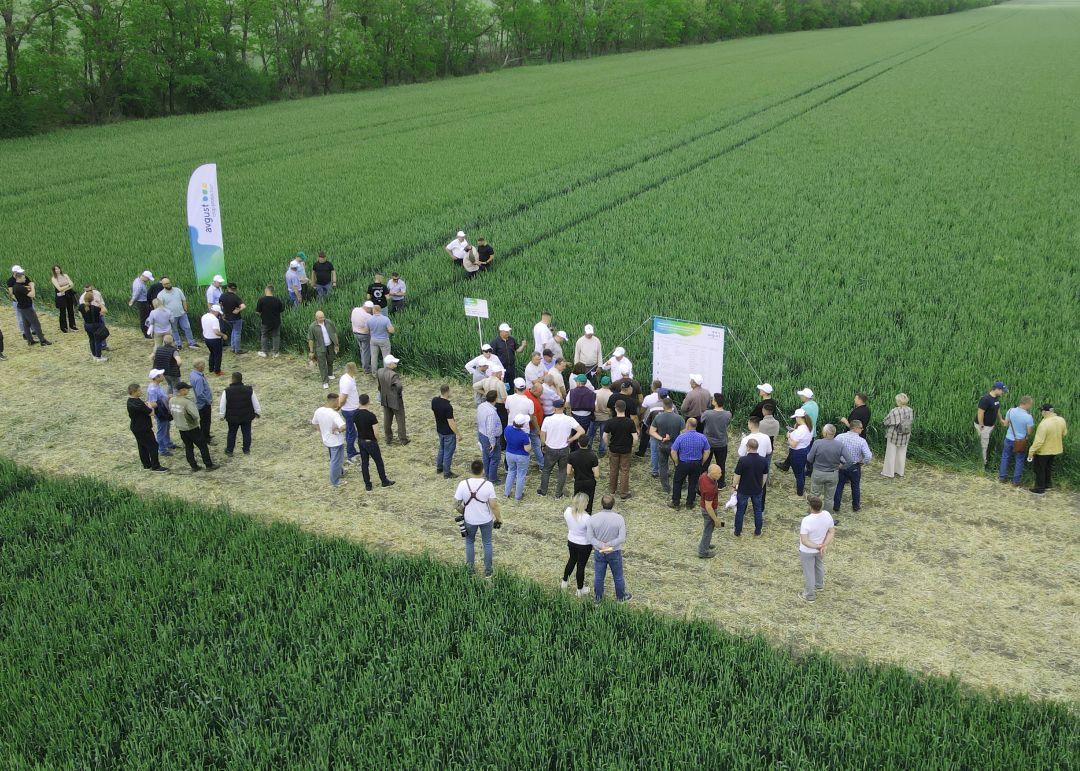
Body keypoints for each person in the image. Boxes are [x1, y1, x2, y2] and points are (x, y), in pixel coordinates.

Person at [455, 459, 502, 578]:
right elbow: (494, 505)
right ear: (483, 470)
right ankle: (488, 572)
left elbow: (456, 504)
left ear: (471, 470)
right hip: (486, 519)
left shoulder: (463, 484)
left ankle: (470, 571)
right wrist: (498, 518)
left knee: (469, 543)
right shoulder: (488, 485)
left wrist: (464, 511)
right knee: (487, 544)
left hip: (469, 520)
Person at [587, 495, 631, 602]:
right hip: (614, 551)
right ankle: (621, 597)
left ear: (601, 504)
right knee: (618, 576)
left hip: (599, 551)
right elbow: (621, 538)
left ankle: (598, 599)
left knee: (599, 577)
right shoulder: (619, 518)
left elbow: (590, 537)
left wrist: (601, 545)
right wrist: (609, 545)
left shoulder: (593, 518)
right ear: (613, 504)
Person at [538, 400, 585, 498]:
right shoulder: (569, 419)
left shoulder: (547, 419)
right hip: (564, 448)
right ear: (563, 408)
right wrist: (571, 439)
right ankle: (558, 494)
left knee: (546, 470)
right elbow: (581, 431)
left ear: (554, 408)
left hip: (550, 448)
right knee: (562, 471)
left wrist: (543, 445)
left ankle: (543, 491)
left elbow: (542, 434)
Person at [170, 382, 217, 472]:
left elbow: (171, 412)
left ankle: (194, 466)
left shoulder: (172, 400)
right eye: (187, 389)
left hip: (181, 428)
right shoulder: (187, 402)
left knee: (188, 447)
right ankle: (209, 465)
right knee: (203, 446)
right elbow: (195, 415)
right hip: (192, 428)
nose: (188, 390)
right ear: (182, 390)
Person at [353, 394, 395, 489]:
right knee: (378, 462)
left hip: (361, 441)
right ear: (369, 402)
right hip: (370, 441)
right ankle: (384, 481)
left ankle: (368, 485)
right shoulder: (371, 416)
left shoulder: (355, 414)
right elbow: (376, 432)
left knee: (364, 463)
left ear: (359, 402)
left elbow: (355, 427)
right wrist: (376, 440)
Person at [798, 496, 835, 603]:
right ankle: (819, 585)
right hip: (820, 550)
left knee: (809, 573)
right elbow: (831, 532)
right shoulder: (827, 515)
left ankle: (810, 595)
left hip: (807, 551)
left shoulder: (806, 520)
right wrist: (823, 545)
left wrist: (817, 546)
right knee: (819, 566)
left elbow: (804, 541)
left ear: (810, 507)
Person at [806, 425, 850, 512]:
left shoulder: (817, 443)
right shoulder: (840, 445)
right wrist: (842, 466)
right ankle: (827, 518)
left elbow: (809, 458)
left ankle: (812, 515)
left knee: (814, 495)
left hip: (818, 473)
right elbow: (850, 460)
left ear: (825, 433)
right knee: (829, 498)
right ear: (834, 433)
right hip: (832, 474)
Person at [670, 419, 711, 509]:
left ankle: (676, 502)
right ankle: (690, 503)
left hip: (683, 463)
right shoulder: (702, 437)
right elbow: (707, 451)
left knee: (678, 482)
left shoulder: (681, 437)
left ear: (687, 425)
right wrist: (702, 462)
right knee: (693, 483)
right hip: (697, 463)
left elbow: (673, 451)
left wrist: (677, 462)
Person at [1028, 404, 1067, 495]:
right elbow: (1064, 433)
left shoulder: (1044, 424)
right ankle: (1047, 484)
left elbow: (1039, 442)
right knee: (1048, 467)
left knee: (1040, 469)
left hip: (1044, 451)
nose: (1041, 413)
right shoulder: (1061, 420)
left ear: (1045, 412)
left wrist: (1031, 451)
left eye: (1041, 411)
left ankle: (1040, 488)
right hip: (1056, 449)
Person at [732, 438, 768, 536]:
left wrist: (734, 486)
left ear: (748, 447)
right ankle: (758, 531)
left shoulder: (743, 460)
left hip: (743, 489)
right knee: (757, 510)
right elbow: (765, 475)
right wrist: (761, 486)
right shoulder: (763, 460)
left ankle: (737, 531)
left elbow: (737, 475)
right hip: (757, 489)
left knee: (740, 511)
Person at [219, 371, 261, 455]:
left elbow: (222, 404)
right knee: (246, 432)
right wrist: (258, 412)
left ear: (232, 380)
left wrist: (222, 415)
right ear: (241, 379)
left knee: (232, 433)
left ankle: (229, 450)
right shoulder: (249, 389)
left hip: (232, 417)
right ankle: (246, 450)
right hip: (246, 416)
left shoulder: (227, 391)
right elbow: (255, 402)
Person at [127, 383, 166, 472]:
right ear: (134, 392)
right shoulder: (138, 403)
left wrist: (146, 405)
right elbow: (151, 413)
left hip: (136, 427)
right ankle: (156, 466)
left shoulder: (131, 401)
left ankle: (147, 465)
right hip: (143, 428)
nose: (141, 392)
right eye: (139, 390)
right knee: (153, 445)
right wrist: (149, 406)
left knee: (142, 446)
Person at [650, 397, 685, 494]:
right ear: (672, 406)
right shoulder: (679, 418)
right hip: (675, 447)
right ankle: (682, 484)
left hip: (663, 445)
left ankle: (666, 488)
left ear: (663, 406)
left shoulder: (658, 417)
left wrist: (661, 438)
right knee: (678, 465)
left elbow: (651, 431)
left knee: (663, 466)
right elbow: (683, 433)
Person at [312, 393, 348, 488]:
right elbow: (343, 426)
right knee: (336, 460)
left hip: (326, 439)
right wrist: (338, 431)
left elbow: (315, 423)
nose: (339, 403)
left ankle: (340, 472)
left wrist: (322, 431)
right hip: (336, 441)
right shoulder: (333, 414)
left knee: (334, 458)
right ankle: (335, 482)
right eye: (338, 401)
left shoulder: (319, 411)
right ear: (334, 401)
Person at [561, 493, 594, 597]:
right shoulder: (587, 518)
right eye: (587, 502)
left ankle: (564, 582)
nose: (588, 504)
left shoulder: (567, 512)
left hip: (571, 541)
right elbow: (590, 533)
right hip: (584, 544)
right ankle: (580, 589)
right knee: (581, 566)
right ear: (583, 503)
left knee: (572, 560)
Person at [604, 400, 636, 500]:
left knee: (613, 469)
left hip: (613, 448)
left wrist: (607, 444)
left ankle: (612, 490)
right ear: (625, 408)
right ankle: (623, 493)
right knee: (624, 471)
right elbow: (635, 437)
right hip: (626, 449)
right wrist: (633, 446)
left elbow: (604, 436)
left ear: (615, 408)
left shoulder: (610, 421)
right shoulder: (630, 422)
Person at [999, 396, 1034, 486]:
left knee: (1005, 457)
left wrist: (1001, 419)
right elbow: (1029, 432)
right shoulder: (1028, 417)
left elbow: (1005, 424)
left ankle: (1002, 478)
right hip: (1020, 442)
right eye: (1030, 404)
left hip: (1009, 438)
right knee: (1019, 460)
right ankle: (1016, 481)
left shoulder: (1010, 411)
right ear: (1027, 404)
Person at [700, 393, 732, 486]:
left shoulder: (707, 413)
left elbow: (702, 421)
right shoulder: (728, 414)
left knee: (705, 463)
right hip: (721, 443)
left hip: (708, 443)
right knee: (721, 463)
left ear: (715, 402)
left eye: (713, 399)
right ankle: (721, 483)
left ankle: (703, 481)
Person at [157, 277, 198, 349]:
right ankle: (178, 344)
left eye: (169, 283)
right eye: (166, 284)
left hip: (182, 313)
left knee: (187, 327)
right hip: (171, 316)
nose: (168, 285)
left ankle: (192, 342)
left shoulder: (178, 290)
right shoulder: (160, 295)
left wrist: (185, 309)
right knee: (174, 330)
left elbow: (183, 300)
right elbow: (161, 307)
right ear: (163, 285)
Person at [431, 384, 460, 479]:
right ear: (447, 391)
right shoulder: (448, 406)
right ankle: (447, 473)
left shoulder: (434, 400)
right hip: (448, 433)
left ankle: (439, 467)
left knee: (442, 449)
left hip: (439, 430)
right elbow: (451, 422)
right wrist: (458, 434)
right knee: (448, 452)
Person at [11, 274, 50, 346]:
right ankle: (42, 340)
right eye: (23, 278)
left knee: (26, 325)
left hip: (21, 307)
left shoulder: (15, 286)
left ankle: (30, 340)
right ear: (19, 278)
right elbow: (32, 295)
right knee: (36, 324)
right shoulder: (20, 287)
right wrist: (32, 286)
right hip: (27, 308)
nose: (25, 279)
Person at [976, 381, 1009, 465]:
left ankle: (982, 461)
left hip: (990, 426)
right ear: (997, 389)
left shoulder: (996, 398)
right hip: (984, 426)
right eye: (1002, 390)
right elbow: (980, 412)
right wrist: (981, 424)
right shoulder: (985, 399)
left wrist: (1001, 419)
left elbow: (997, 410)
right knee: (984, 445)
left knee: (985, 444)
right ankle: (982, 464)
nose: (1003, 393)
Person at [376, 355, 407, 444]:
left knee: (387, 419)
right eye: (394, 362)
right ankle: (403, 439)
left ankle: (388, 438)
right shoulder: (394, 375)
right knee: (400, 419)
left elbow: (379, 385)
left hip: (385, 399)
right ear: (389, 364)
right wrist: (398, 393)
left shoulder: (380, 371)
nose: (395, 363)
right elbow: (399, 386)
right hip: (395, 400)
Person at [881, 393, 914, 478]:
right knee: (902, 454)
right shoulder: (910, 410)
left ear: (899, 401)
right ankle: (900, 471)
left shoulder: (895, 411)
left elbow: (886, 422)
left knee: (891, 454)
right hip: (905, 435)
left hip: (894, 435)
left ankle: (889, 472)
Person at [474, 389, 503, 483]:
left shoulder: (481, 406)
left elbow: (478, 421)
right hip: (489, 437)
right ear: (495, 399)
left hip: (482, 434)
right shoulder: (491, 413)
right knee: (495, 458)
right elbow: (490, 429)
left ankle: (487, 475)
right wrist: (493, 442)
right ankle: (493, 479)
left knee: (486, 456)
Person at [307, 310, 340, 388]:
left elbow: (334, 333)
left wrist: (336, 344)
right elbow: (310, 339)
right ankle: (325, 381)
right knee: (322, 365)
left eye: (323, 317)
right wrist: (311, 351)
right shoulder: (312, 326)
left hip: (330, 346)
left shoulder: (329, 322)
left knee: (330, 360)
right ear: (316, 318)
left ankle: (330, 374)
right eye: (320, 318)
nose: (322, 319)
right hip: (320, 348)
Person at [785, 409, 814, 496]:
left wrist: (788, 436)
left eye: (796, 417)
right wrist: (794, 430)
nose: (795, 419)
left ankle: (799, 493)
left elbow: (793, 444)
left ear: (799, 417)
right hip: (806, 449)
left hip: (797, 453)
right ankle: (801, 489)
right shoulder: (809, 427)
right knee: (801, 471)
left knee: (798, 474)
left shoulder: (800, 430)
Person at [503, 414, 532, 500]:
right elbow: (527, 449)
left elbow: (506, 439)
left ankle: (506, 493)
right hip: (521, 456)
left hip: (509, 453)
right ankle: (518, 496)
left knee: (511, 472)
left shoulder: (507, 428)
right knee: (520, 475)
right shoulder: (524, 435)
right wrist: (530, 442)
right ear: (523, 424)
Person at [697, 464, 723, 558]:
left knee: (708, 529)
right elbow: (709, 507)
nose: (721, 474)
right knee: (708, 530)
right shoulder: (710, 489)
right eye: (718, 473)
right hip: (708, 510)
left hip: (703, 505)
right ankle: (703, 552)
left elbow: (700, 489)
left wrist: (715, 490)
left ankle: (706, 544)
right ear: (711, 474)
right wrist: (716, 519)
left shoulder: (703, 476)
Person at [147, 369, 174, 455]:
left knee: (166, 427)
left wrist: (166, 397)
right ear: (156, 377)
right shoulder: (152, 389)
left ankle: (168, 443)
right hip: (160, 412)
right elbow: (152, 403)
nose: (163, 376)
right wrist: (165, 399)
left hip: (164, 410)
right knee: (162, 430)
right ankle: (162, 450)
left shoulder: (157, 385)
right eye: (161, 375)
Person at [339, 362, 362, 463]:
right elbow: (343, 397)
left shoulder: (349, 377)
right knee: (351, 433)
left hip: (352, 409)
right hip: (349, 410)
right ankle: (350, 454)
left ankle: (352, 451)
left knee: (351, 432)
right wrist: (340, 406)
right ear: (352, 369)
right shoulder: (347, 381)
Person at [568, 440, 599, 513]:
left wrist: (573, 473)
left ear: (578, 444)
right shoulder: (593, 456)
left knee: (577, 500)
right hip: (590, 482)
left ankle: (577, 515)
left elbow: (568, 472)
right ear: (588, 443)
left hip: (578, 481)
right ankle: (587, 515)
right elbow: (597, 475)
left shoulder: (572, 455)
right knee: (589, 500)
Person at [78, 289, 108, 362]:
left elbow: (81, 314)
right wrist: (100, 304)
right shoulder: (95, 308)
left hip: (87, 325)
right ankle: (99, 357)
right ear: (92, 299)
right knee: (97, 341)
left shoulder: (81, 307)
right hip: (96, 326)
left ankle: (94, 355)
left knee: (91, 340)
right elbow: (105, 311)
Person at [255, 285, 284, 358]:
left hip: (265, 321)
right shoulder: (277, 300)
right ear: (272, 291)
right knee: (276, 336)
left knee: (264, 336)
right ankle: (275, 353)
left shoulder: (261, 300)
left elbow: (258, 311)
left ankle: (264, 352)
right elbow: (281, 311)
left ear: (266, 290)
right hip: (276, 322)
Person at [189, 361, 214, 443]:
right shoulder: (199, 378)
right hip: (203, 404)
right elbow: (200, 393)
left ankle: (205, 435)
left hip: (199, 403)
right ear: (199, 367)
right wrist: (208, 401)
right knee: (206, 421)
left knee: (204, 421)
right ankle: (206, 438)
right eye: (203, 366)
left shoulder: (193, 374)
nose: (204, 367)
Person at [588, 376, 613, 455]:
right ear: (610, 384)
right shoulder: (611, 394)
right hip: (606, 418)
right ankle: (601, 451)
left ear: (601, 383)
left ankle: (588, 448)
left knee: (591, 434)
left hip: (595, 417)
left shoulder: (595, 392)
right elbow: (611, 409)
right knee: (603, 435)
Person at [219, 283, 245, 354]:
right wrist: (238, 310)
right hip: (236, 318)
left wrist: (223, 314)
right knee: (237, 333)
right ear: (235, 289)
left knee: (233, 331)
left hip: (227, 318)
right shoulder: (236, 297)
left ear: (228, 288)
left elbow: (220, 306)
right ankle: (237, 349)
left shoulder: (222, 296)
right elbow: (243, 306)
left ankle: (233, 348)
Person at [51, 265, 78, 333]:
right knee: (62, 312)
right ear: (54, 271)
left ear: (60, 269)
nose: (57, 270)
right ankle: (63, 327)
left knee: (71, 310)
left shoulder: (65, 275)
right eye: (55, 269)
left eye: (58, 269)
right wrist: (68, 286)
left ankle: (72, 325)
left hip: (68, 294)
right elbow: (59, 289)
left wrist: (65, 288)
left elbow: (72, 284)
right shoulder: (54, 278)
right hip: (61, 296)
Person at [7, 265, 33, 337]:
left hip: (28, 299)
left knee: (32, 315)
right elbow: (11, 293)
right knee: (21, 317)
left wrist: (22, 288)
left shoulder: (24, 277)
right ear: (14, 272)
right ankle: (24, 333)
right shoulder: (10, 281)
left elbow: (31, 284)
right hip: (18, 302)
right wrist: (19, 299)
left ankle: (34, 330)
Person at [366, 304, 394, 370]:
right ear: (380, 310)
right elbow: (391, 331)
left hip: (373, 340)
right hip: (384, 340)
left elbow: (366, 330)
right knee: (386, 357)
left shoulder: (369, 319)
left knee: (373, 357)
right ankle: (386, 372)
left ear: (373, 310)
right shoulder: (385, 319)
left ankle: (374, 373)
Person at [201, 305, 227, 376]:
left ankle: (211, 369)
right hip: (215, 340)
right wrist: (223, 335)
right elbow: (216, 332)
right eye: (218, 312)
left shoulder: (204, 316)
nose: (219, 314)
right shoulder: (214, 319)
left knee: (212, 353)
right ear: (215, 311)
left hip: (207, 338)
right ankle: (217, 371)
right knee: (218, 355)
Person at [351, 300, 373, 373]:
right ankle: (366, 368)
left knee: (362, 350)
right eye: (370, 309)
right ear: (368, 308)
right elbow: (371, 327)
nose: (371, 311)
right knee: (366, 351)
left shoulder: (355, 310)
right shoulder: (368, 316)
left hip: (355, 333)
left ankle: (363, 364)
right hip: (364, 335)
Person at [130, 270, 153, 338]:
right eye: (148, 279)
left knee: (147, 316)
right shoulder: (139, 285)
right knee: (144, 318)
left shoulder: (137, 280)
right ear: (144, 277)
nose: (148, 280)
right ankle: (146, 334)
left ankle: (149, 331)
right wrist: (132, 302)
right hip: (142, 303)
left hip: (143, 302)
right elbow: (136, 295)